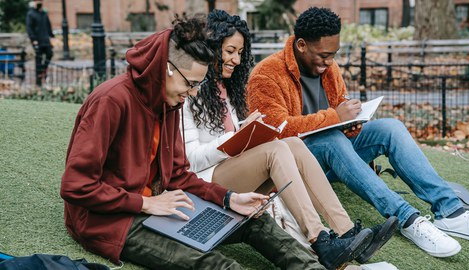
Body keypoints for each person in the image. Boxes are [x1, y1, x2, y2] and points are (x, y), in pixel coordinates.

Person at [60, 15, 324, 270]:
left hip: (162, 206)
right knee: (218, 266)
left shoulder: (169, 101)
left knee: (254, 221)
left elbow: (177, 175)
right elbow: (76, 186)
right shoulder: (110, 101)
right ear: (168, 69)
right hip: (112, 221)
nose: (194, 92)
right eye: (192, 83)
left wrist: (229, 199)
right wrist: (145, 204)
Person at [247, 7, 469, 258]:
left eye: (333, 55)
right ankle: (408, 219)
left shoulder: (329, 67)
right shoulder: (266, 74)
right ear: (302, 45)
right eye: (323, 55)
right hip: (298, 164)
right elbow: (274, 132)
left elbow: (339, 106)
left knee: (391, 128)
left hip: (336, 150)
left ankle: (450, 211)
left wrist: (351, 122)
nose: (328, 63)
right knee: (330, 139)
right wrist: (335, 118)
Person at [182, 10, 398, 269]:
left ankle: (346, 232)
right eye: (229, 51)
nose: (236, 60)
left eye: (240, 53)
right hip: (206, 182)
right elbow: (191, 160)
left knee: (292, 144)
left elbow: (234, 139)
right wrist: (237, 137)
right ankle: (320, 239)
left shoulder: (228, 89)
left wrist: (246, 133)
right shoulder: (187, 90)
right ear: (211, 47)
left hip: (233, 170)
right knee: (276, 149)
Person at [26, 0, 54, 86]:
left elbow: (48, 26)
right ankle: (38, 82)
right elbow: (29, 28)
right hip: (37, 41)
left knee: (49, 54)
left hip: (46, 40)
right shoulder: (31, 14)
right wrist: (33, 39)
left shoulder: (44, 13)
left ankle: (43, 70)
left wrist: (51, 36)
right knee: (38, 60)